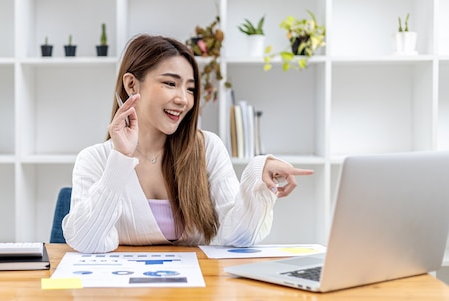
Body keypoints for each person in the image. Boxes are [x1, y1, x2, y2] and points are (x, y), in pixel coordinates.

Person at [62, 34, 314, 253]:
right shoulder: (94, 160)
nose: (184, 99)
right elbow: (87, 241)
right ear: (131, 85)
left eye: (191, 89)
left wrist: (260, 171)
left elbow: (239, 237)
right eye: (170, 83)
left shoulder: (207, 149)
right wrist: (120, 159)